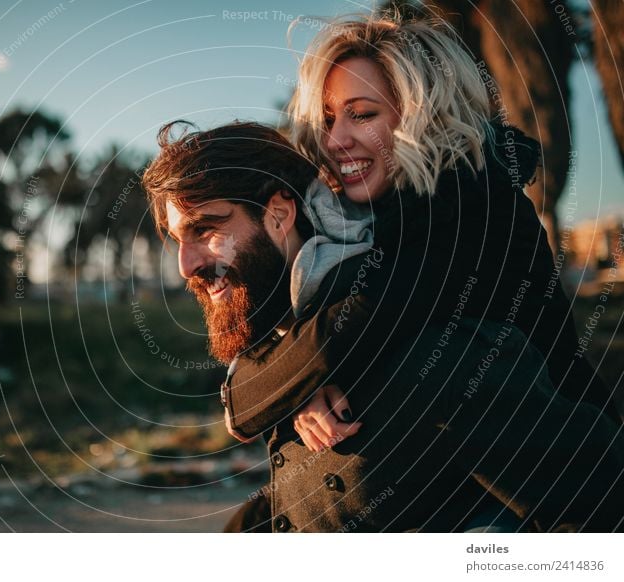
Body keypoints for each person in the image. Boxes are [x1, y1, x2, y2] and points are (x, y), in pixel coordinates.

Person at [141, 120, 624, 532]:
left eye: (206, 228)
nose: (185, 264)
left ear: (279, 213)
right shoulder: (287, 347)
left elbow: (596, 503)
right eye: (178, 239)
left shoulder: (439, 355)